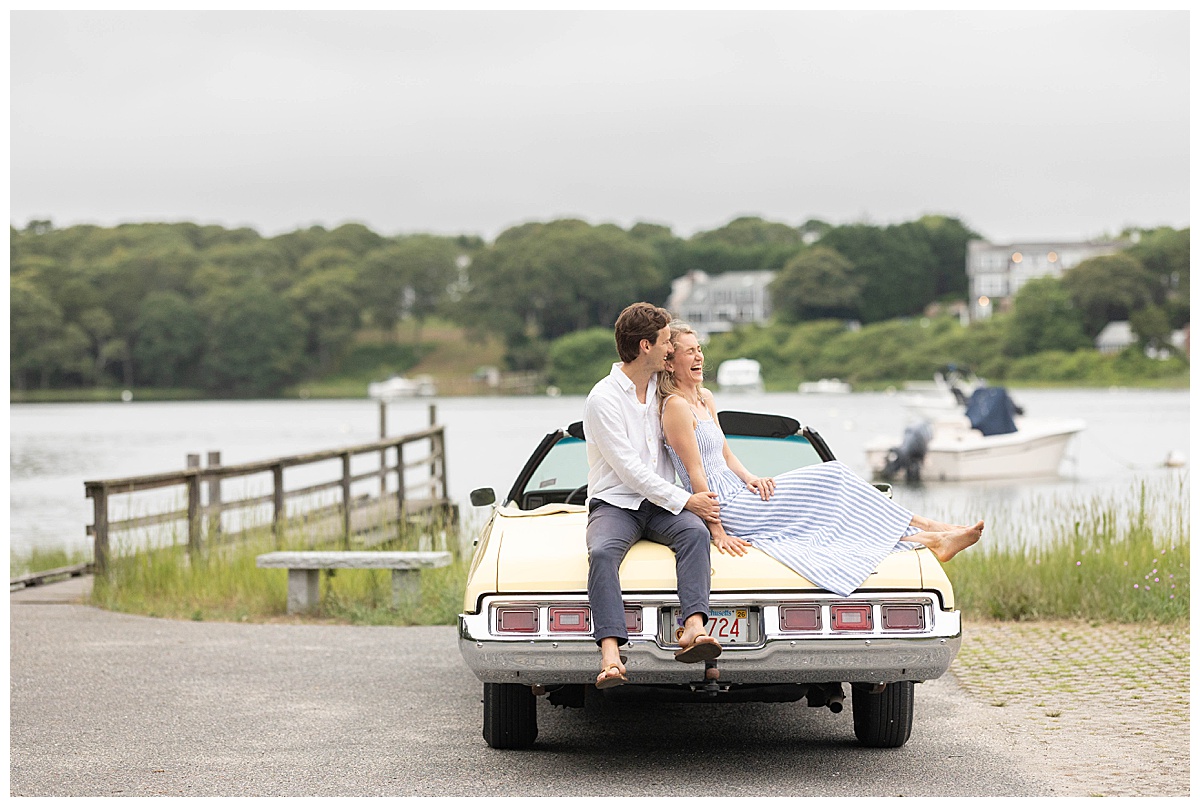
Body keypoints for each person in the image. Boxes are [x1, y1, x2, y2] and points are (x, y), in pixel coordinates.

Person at [658, 321, 982, 597]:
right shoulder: (675, 407)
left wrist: (751, 477)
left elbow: (726, 453)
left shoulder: (705, 398)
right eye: (690, 351)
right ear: (670, 363)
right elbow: (695, 473)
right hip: (724, 505)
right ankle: (928, 526)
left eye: (699, 349)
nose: (699, 356)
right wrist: (717, 530)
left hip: (739, 490)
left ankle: (932, 538)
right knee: (835, 476)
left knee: (838, 514)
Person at [583, 303, 724, 690]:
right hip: (616, 503)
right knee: (602, 553)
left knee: (694, 534)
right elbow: (629, 470)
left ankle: (693, 629)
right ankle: (611, 654)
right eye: (665, 342)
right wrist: (686, 501)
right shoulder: (604, 399)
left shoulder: (663, 392)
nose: (671, 349)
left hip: (660, 505)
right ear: (645, 346)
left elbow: (700, 434)